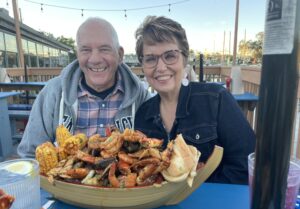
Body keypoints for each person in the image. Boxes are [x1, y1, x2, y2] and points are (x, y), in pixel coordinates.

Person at [133, 16, 256, 184]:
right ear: (143, 65)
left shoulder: (216, 99)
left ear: (184, 59)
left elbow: (245, 165)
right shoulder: (142, 115)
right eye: (150, 58)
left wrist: (195, 188)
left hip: (215, 205)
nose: (160, 67)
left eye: (170, 56)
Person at [18, 17, 151, 158]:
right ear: (78, 54)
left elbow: (152, 153)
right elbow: (29, 154)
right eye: (86, 50)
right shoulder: (53, 92)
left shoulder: (141, 95)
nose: (95, 59)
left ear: (119, 55)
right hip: (60, 179)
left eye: (104, 49)